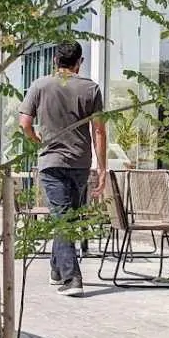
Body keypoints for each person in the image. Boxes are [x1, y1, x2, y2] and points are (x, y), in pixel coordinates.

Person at [18, 42, 107, 297]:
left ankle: (69, 276)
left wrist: (36, 139)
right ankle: (62, 272)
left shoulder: (40, 85)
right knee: (67, 218)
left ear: (55, 60)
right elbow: (99, 131)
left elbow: (24, 123)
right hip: (80, 162)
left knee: (63, 218)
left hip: (51, 162)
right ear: (80, 62)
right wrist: (102, 168)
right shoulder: (91, 89)